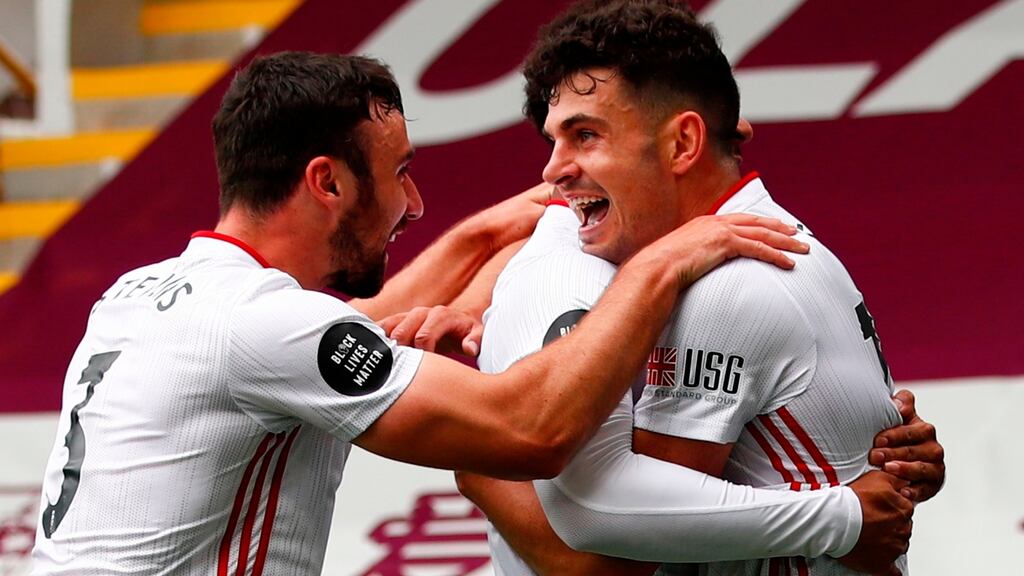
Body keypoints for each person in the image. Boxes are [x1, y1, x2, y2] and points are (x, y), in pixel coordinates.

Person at [30, 51, 815, 575]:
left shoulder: (142, 295)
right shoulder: (263, 328)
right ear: (326, 184)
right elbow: (530, 429)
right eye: (400, 174)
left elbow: (348, 327)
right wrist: (663, 261)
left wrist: (496, 229)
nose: (415, 204)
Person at [432, 1, 945, 574]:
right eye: (554, 140)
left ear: (682, 144)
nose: (554, 170)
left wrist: (476, 452)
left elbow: (608, 556)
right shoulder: (769, 239)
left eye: (585, 136)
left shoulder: (723, 288)